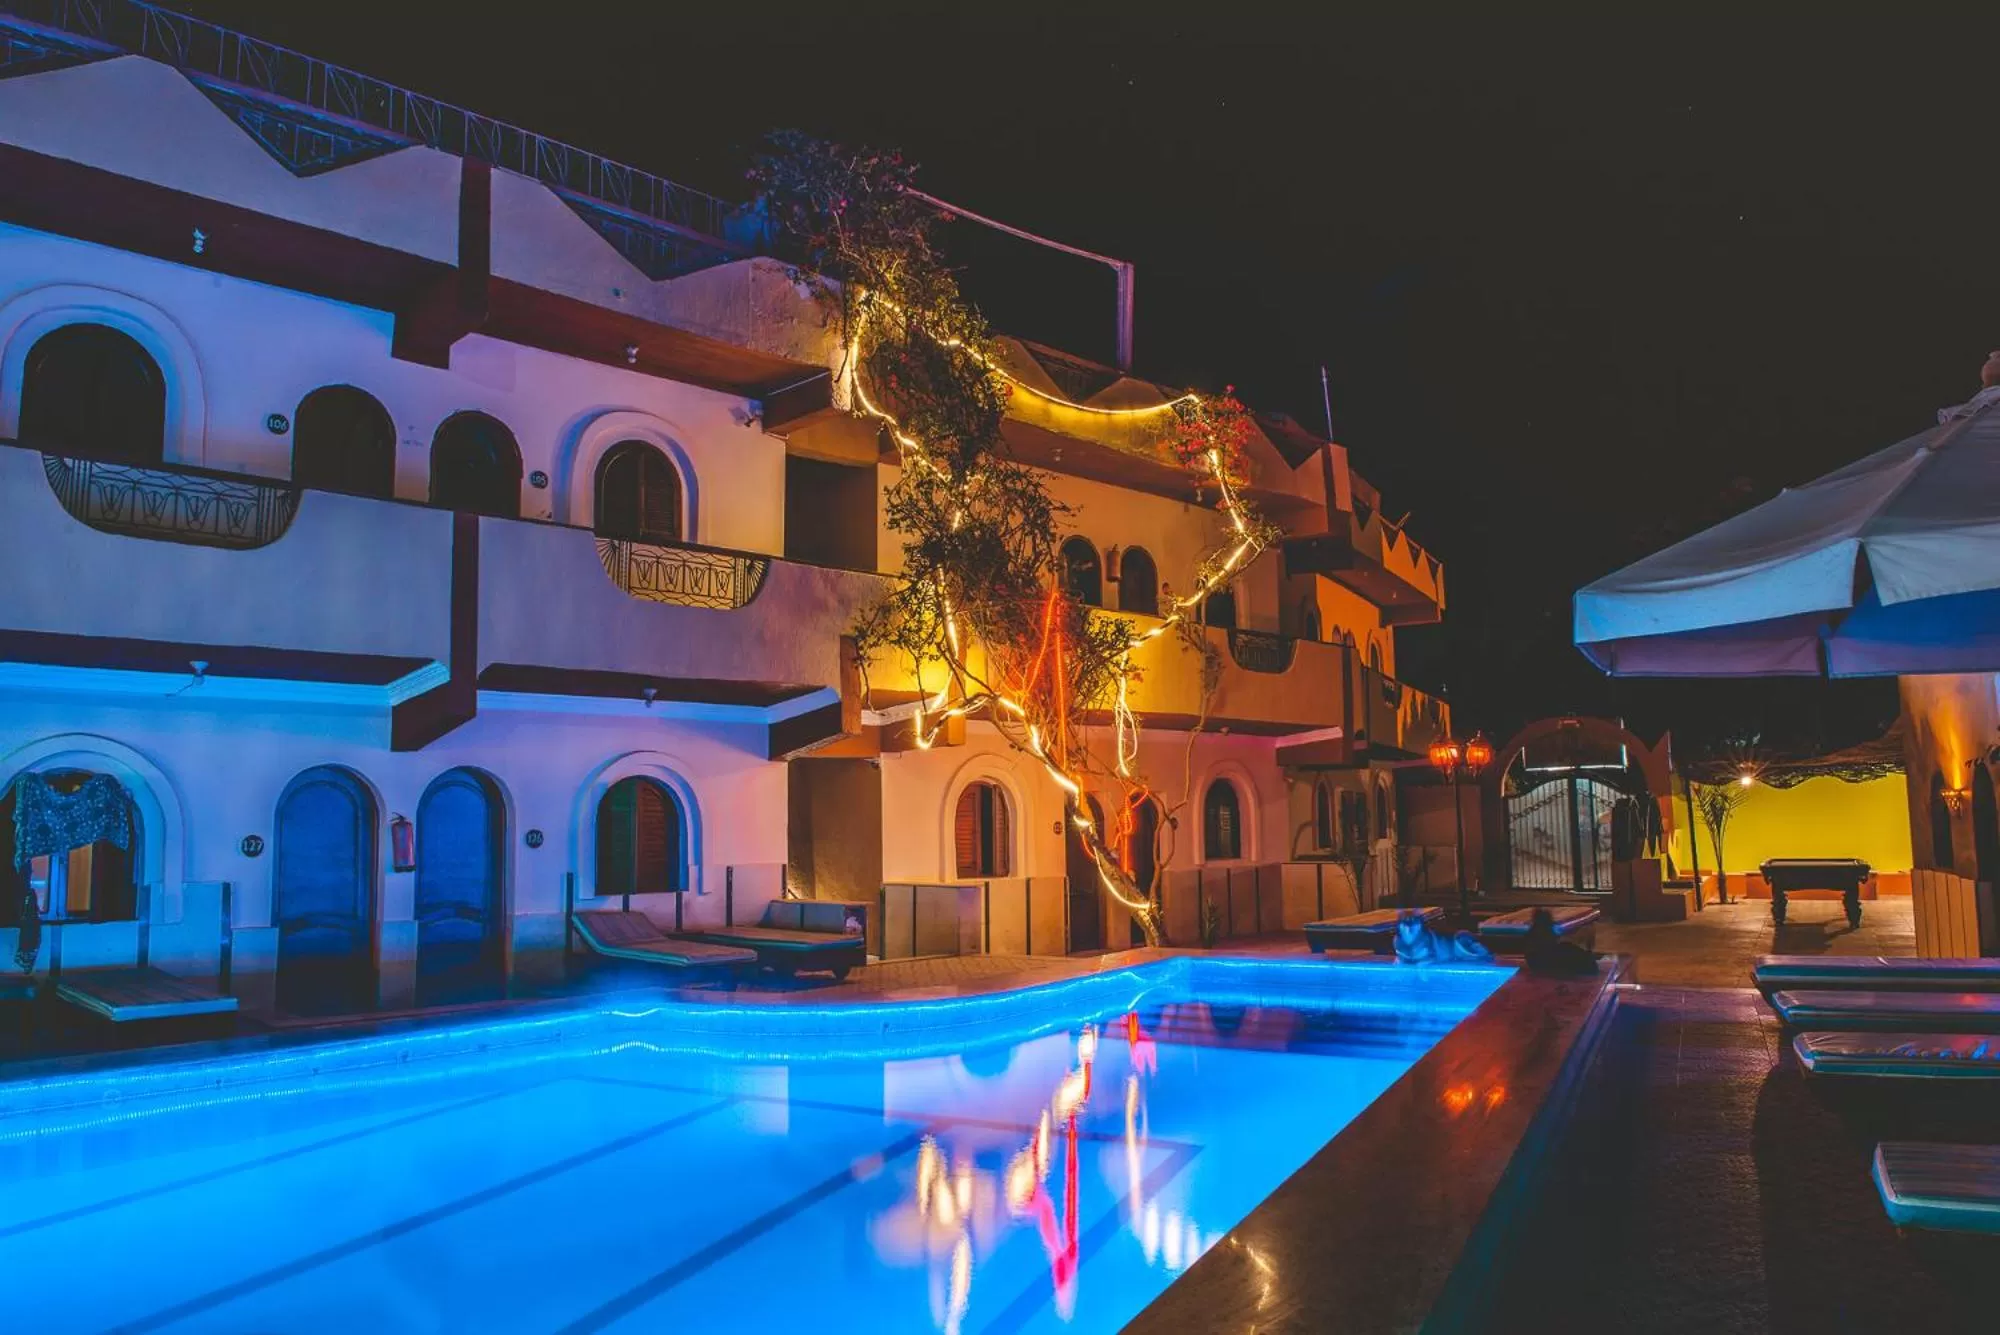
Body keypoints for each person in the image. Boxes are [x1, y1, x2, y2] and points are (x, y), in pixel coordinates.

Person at [1522, 907, 1597, 976]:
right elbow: (1548, 949)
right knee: (1569, 950)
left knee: (1568, 948)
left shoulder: (1538, 932)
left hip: (1543, 961)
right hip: (1545, 963)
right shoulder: (1541, 933)